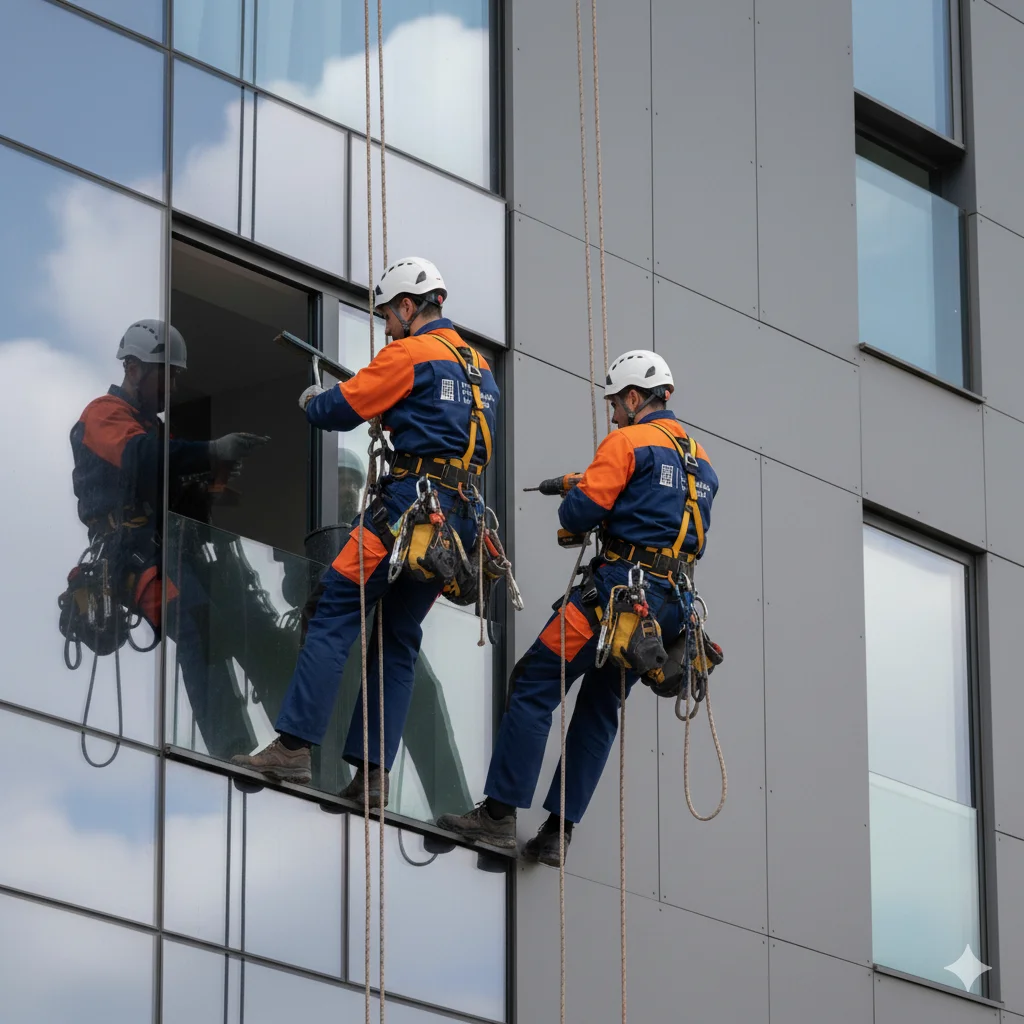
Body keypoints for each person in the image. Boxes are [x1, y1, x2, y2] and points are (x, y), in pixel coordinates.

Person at [233, 258, 499, 806]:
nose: (387, 328)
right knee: (397, 639)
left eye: (388, 316)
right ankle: (374, 777)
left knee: (335, 609)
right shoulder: (480, 370)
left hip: (407, 509)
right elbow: (441, 427)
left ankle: (294, 748)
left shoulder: (410, 353)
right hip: (454, 524)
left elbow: (338, 410)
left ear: (407, 307)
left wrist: (313, 401)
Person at [438, 350, 719, 864]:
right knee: (600, 709)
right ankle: (557, 833)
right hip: (662, 612)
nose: (613, 412)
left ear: (635, 398)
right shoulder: (702, 463)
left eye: (616, 402)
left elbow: (580, 511)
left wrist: (581, 492)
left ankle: (498, 817)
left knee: (534, 684)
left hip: (613, 597)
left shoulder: (628, 441)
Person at [69, 320, 268, 756]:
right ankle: (231, 747)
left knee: (250, 624)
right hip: (132, 555)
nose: (173, 386)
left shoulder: (158, 432)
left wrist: (207, 482)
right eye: (168, 373)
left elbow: (174, 484)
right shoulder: (103, 415)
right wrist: (211, 451)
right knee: (196, 622)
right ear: (135, 368)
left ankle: (292, 743)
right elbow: (142, 460)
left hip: (171, 549)